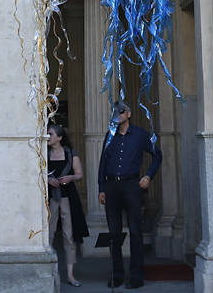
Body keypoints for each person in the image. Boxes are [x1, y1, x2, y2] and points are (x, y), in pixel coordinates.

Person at [98, 102, 162, 289]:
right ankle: (116, 274)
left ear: (129, 113)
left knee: (135, 232)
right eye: (114, 112)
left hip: (131, 185)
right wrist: (101, 187)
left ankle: (137, 275)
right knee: (114, 233)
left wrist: (149, 176)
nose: (117, 115)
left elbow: (157, 155)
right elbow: (103, 162)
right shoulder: (110, 136)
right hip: (111, 186)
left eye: (121, 111)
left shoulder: (141, 135)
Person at [47, 124, 88, 288]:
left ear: (60, 137)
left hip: (67, 198)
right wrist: (48, 179)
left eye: (50, 134)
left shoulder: (71, 154)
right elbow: (36, 173)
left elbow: (79, 174)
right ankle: (49, 271)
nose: (48, 137)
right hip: (50, 198)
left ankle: (71, 274)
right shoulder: (44, 154)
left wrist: (70, 177)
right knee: (47, 235)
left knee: (69, 237)